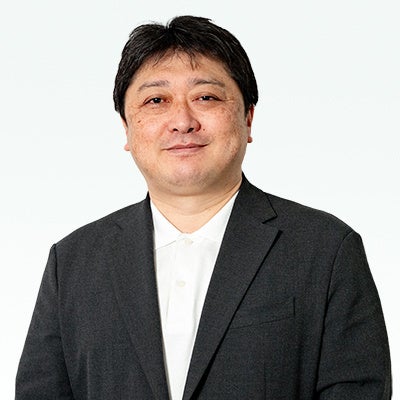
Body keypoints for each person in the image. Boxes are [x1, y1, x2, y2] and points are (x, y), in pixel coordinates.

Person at [15, 15, 392, 400]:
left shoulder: (325, 250)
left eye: (206, 97)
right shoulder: (74, 262)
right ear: (126, 127)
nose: (182, 121)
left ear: (248, 117)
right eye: (156, 100)